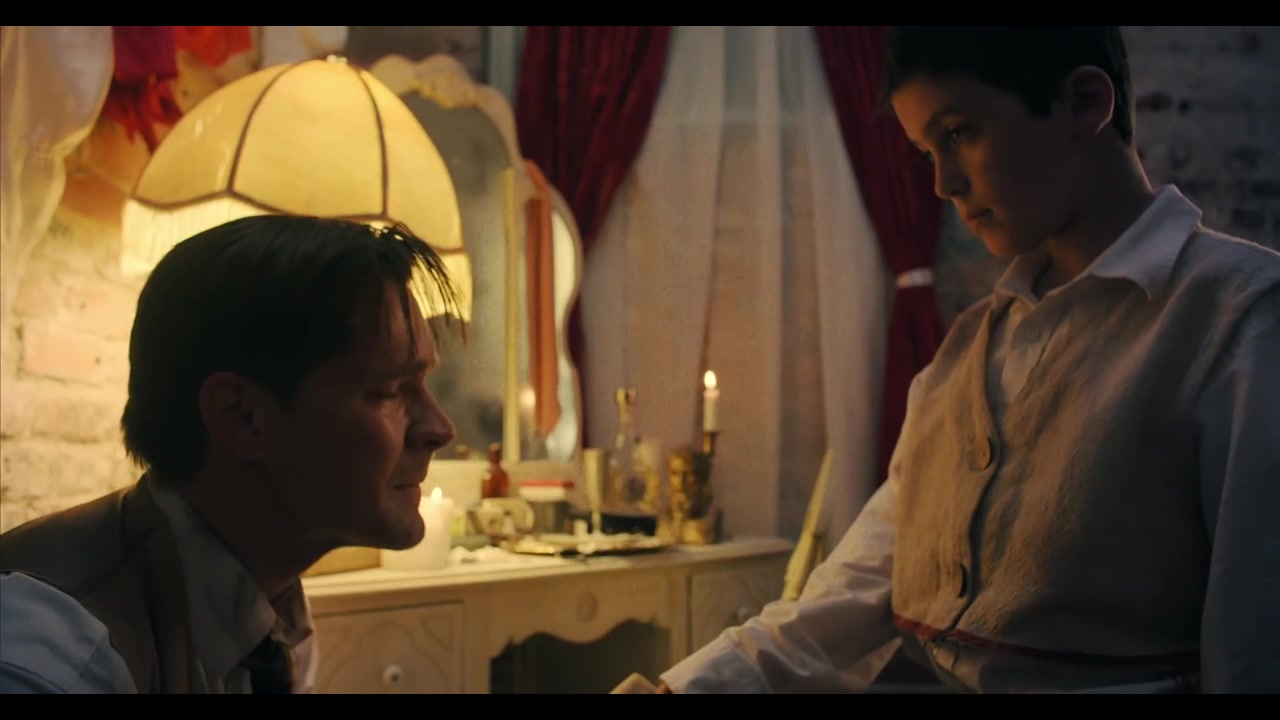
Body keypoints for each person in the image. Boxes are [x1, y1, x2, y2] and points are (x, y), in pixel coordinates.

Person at [654, 26, 1280, 694]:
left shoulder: (1241, 318)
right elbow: (850, 596)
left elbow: (1253, 647)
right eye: (927, 152)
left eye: (960, 133)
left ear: (1085, 103)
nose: (942, 183)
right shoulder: (969, 350)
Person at [0, 215, 462, 693]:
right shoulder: (49, 658)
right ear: (242, 416)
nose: (440, 429)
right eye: (389, 391)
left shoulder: (270, 614)